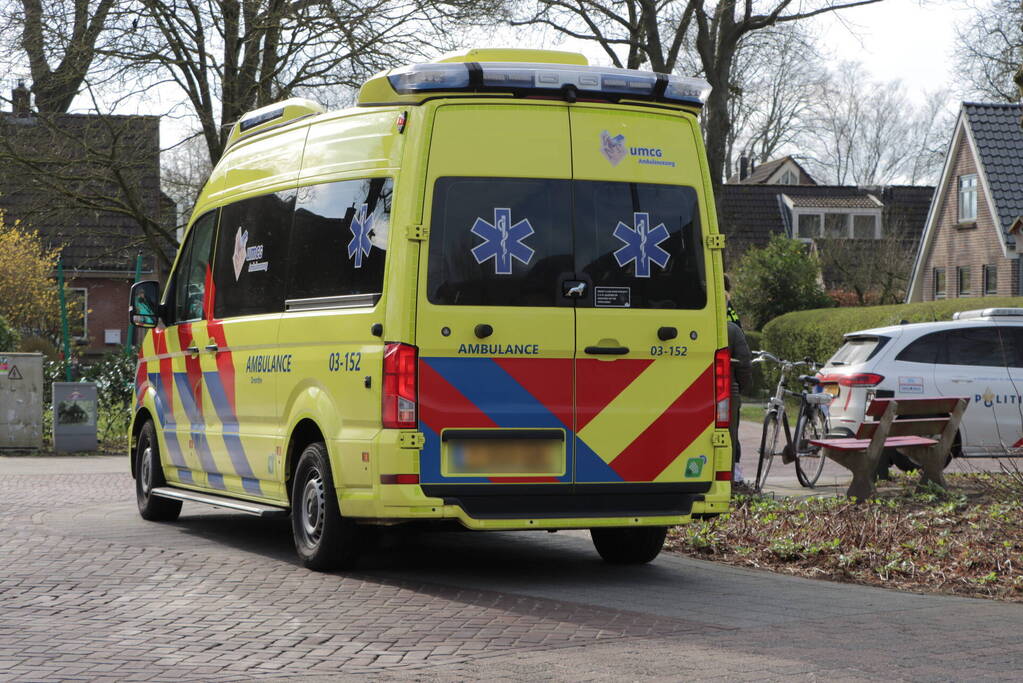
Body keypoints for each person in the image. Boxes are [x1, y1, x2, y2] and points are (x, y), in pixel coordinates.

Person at [728, 320, 753, 482]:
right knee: (730, 435)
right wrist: (740, 387)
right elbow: (744, 362)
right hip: (727, 392)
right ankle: (733, 475)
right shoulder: (731, 330)